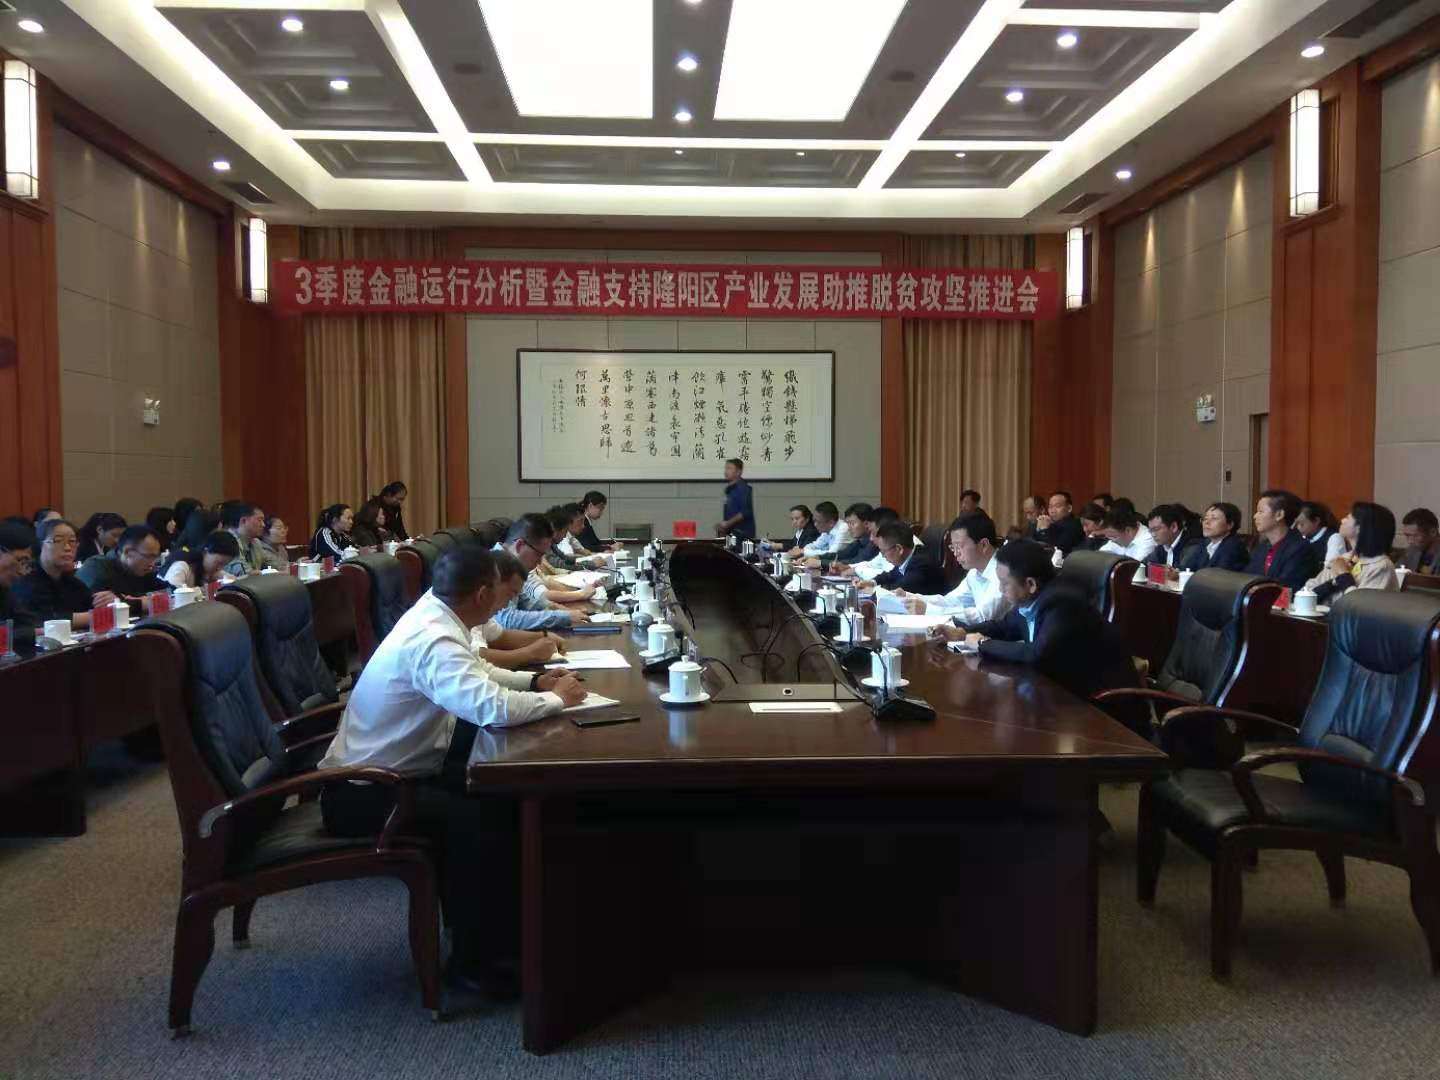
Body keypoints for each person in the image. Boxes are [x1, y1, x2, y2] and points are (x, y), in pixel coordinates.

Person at [318, 545, 586, 993]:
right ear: (482, 593)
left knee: (498, 798)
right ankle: (477, 965)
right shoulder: (435, 637)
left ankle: (504, 935)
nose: (501, 604)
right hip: (363, 792)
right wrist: (556, 700)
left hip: (394, 772)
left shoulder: (437, 615)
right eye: (500, 593)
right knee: (480, 820)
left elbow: (476, 673)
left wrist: (535, 681)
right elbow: (489, 706)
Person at [930, 539, 1139, 702]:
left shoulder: (1063, 604)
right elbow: (1003, 627)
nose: (1001, 590)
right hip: (1059, 695)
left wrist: (982, 644)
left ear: (1030, 584)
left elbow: (1038, 654)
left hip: (1103, 709)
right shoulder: (1031, 601)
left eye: (1004, 583)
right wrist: (962, 632)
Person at [893, 512, 1009, 624]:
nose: (956, 553)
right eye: (953, 547)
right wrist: (910, 597)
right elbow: (951, 601)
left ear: (983, 545)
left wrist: (928, 610)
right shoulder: (974, 571)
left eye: (959, 547)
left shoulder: (1004, 572)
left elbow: (982, 617)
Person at [469, 553, 569, 669]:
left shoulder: (480, 615)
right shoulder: (464, 616)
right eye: (509, 595)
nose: (506, 604)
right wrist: (530, 653)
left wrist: (545, 636)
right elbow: (479, 659)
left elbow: (501, 636)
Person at [492, 514, 587, 631]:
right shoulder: (493, 568)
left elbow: (531, 604)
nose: (540, 562)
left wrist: (566, 612)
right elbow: (507, 620)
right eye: (538, 554)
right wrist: (563, 617)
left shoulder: (514, 568)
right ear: (519, 546)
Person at [13, 518, 111, 629]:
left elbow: (93, 605)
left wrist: (108, 601)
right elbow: (47, 620)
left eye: (72, 541)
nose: (68, 548)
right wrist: (97, 616)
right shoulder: (27, 582)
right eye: (58, 541)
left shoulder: (73, 582)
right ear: (39, 545)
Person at [1304, 503, 1399, 603]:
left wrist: (1343, 576)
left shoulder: (1381, 566)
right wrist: (1333, 583)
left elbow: (1361, 607)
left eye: (1347, 518)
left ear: (1360, 527)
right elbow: (1308, 591)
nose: (1342, 520)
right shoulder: (1344, 559)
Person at [1245, 489, 1321, 591]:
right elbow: (1247, 578)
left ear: (1279, 515)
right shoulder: (1261, 548)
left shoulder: (1300, 549)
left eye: (1260, 511)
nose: (1255, 516)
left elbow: (1286, 587)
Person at [76, 525, 167, 600]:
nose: (152, 563)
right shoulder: (96, 567)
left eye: (155, 557)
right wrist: (140, 603)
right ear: (127, 552)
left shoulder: (143, 571)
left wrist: (134, 600)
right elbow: (97, 604)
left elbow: (169, 592)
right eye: (148, 556)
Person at [862, 522, 945, 594]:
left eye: (883, 551)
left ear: (899, 549)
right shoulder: (908, 557)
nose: (883, 556)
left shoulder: (921, 564)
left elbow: (897, 590)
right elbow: (891, 575)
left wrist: (872, 590)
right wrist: (872, 582)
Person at [0, 519, 39, 651]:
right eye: (20, 560)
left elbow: (29, 625)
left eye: (26, 564)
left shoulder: (5, 591)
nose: (22, 572)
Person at [1181, 502, 1250, 571]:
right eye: (1205, 518)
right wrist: (1177, 572)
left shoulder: (1233, 547)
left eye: (1214, 518)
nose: (1206, 522)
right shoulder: (1205, 544)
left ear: (1230, 525)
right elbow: (1187, 569)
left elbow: (1216, 574)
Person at [163, 530, 242, 589]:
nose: (220, 568)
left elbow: (232, 580)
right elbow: (173, 597)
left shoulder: (211, 571)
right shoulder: (182, 567)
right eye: (218, 563)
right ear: (205, 551)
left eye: (224, 565)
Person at [805, 502, 874, 569]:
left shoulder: (873, 543)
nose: (849, 528)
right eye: (848, 523)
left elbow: (856, 562)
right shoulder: (859, 541)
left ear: (866, 524)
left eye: (852, 523)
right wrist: (818, 557)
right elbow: (841, 554)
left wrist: (821, 563)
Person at [224, 501, 285, 576]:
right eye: (259, 520)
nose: (263, 525)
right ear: (243, 521)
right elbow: (243, 573)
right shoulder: (227, 541)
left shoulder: (255, 542)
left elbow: (276, 565)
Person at [715, 458, 755, 540]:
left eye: (729, 468)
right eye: (726, 468)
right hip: (732, 533)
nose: (726, 471)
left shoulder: (743, 488)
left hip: (742, 534)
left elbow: (744, 512)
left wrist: (727, 524)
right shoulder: (729, 489)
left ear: (738, 472)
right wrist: (723, 527)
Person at [1400, 508, 1440, 574]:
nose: (1410, 541)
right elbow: (1396, 572)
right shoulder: (1412, 550)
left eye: (1415, 536)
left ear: (1433, 532)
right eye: (1407, 535)